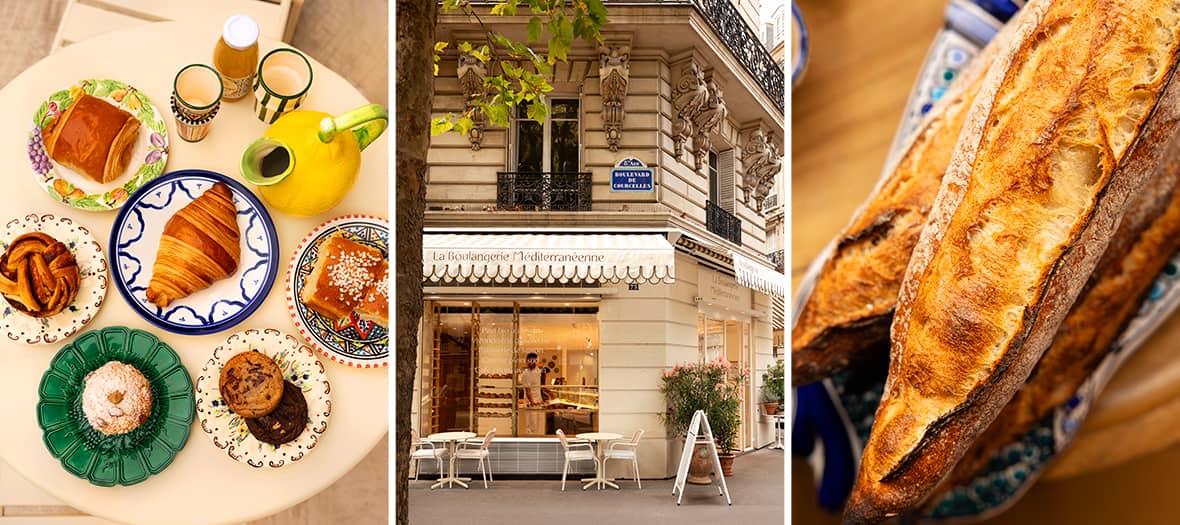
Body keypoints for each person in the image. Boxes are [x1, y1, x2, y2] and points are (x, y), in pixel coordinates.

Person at [519, 352, 544, 435]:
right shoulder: (525, 374)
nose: (532, 362)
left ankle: (539, 442)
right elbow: (528, 391)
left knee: (538, 424)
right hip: (531, 403)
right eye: (530, 361)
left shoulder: (538, 370)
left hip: (539, 402)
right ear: (527, 361)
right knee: (532, 425)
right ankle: (531, 443)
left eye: (534, 360)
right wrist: (533, 403)